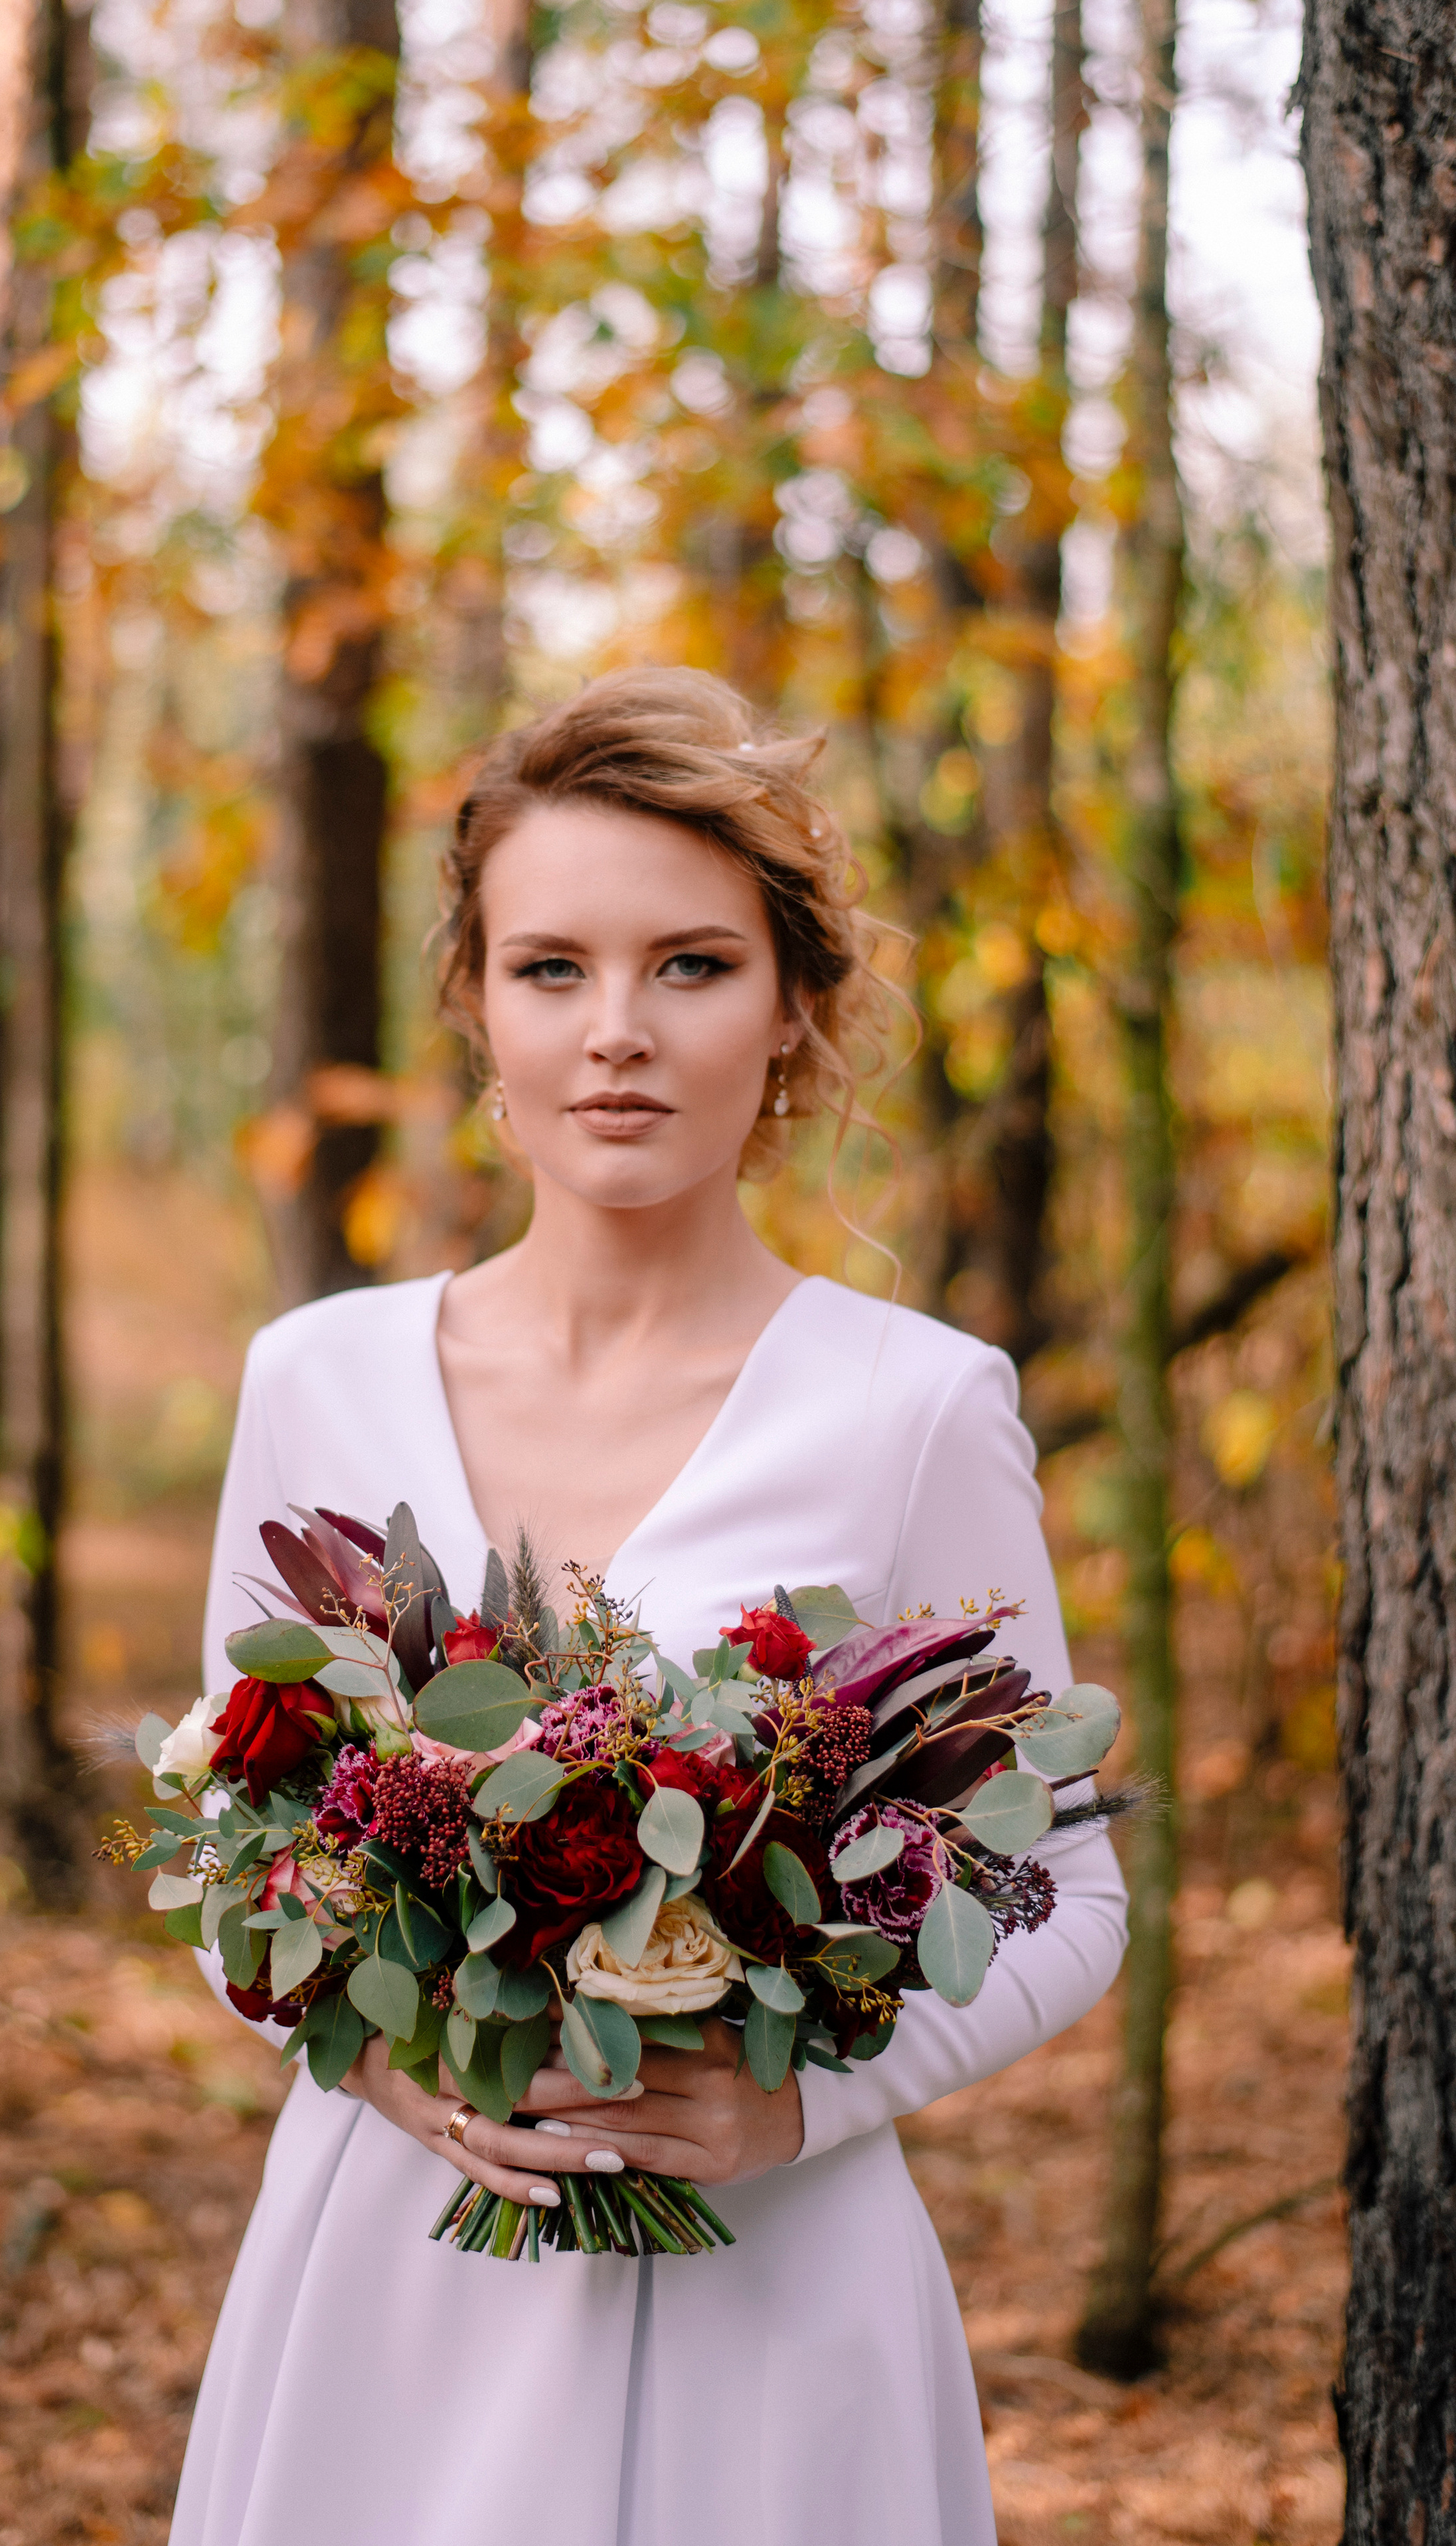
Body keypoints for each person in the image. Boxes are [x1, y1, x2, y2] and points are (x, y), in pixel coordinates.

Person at [171, 669, 1127, 2546]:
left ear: (792, 1011)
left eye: (691, 965)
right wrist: (380, 2062)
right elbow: (227, 1848)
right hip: (390, 2296)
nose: (618, 1033)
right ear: (475, 1004)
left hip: (768, 2307)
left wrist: (802, 2109)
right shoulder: (316, 1378)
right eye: (553, 969)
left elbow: (1065, 1890)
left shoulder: (917, 1401)